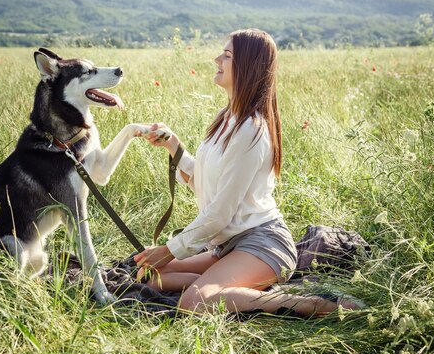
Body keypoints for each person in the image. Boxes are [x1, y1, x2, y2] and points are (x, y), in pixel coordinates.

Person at [134, 29, 361, 316]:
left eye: (227, 55)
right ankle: (224, 288)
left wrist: (168, 249)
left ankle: (315, 305)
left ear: (248, 67)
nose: (217, 58)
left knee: (193, 303)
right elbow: (207, 182)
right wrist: (173, 145)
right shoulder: (226, 118)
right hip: (226, 246)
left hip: (262, 244)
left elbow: (219, 214)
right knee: (146, 275)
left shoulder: (250, 130)